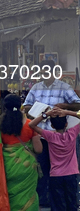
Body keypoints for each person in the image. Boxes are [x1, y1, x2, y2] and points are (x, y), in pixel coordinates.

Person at [22, 59, 80, 206]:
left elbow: (78, 104)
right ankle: (43, 202)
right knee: (42, 169)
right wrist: (41, 110)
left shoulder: (63, 87)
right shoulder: (36, 88)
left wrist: (65, 106)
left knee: (61, 171)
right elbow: (26, 107)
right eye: (42, 72)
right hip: (42, 136)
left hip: (60, 137)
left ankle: (62, 203)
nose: (44, 75)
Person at [0, 94, 42, 211]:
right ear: (20, 105)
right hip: (27, 168)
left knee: (9, 195)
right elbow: (38, 149)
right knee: (29, 197)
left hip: (7, 167)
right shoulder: (30, 124)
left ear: (4, 107)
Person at [29, 107, 80, 211]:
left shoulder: (50, 136)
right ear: (66, 124)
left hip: (56, 175)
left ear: (52, 126)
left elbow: (32, 125)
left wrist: (46, 114)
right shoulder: (72, 133)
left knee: (57, 205)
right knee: (72, 203)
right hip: (72, 174)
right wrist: (66, 112)